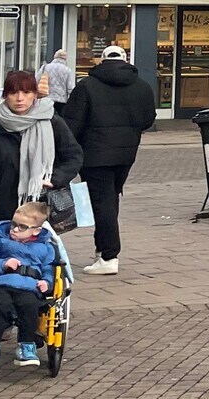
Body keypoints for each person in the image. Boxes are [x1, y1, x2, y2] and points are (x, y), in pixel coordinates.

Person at [59, 44, 157, 275]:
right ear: (125, 59)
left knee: (102, 203)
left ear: (102, 60)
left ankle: (108, 255)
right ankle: (102, 249)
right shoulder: (142, 87)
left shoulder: (87, 87)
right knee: (110, 200)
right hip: (126, 153)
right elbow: (148, 119)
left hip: (94, 154)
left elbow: (72, 123)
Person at [0, 69, 82, 236]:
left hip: (40, 207)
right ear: (5, 96)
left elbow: (73, 156)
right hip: (1, 205)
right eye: (13, 93)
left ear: (35, 94)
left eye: (26, 92)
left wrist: (54, 179)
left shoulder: (52, 122)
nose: (20, 98)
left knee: (39, 257)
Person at [0, 201, 60, 368]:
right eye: (13, 224)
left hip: (29, 286)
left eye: (22, 227)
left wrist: (47, 282)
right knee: (0, 305)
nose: (14, 229)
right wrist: (3, 263)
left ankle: (27, 345)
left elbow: (49, 269)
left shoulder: (45, 248)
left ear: (36, 230)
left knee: (29, 305)